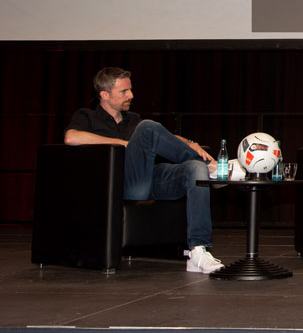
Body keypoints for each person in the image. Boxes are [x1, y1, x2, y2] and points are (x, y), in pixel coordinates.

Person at [64, 67, 223, 273]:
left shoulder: (132, 119)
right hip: (123, 184)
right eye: (124, 91)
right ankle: (215, 170)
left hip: (149, 179)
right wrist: (123, 143)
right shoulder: (87, 116)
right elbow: (71, 137)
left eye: (130, 90)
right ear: (104, 95)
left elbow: (165, 136)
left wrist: (191, 143)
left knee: (194, 169)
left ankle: (198, 251)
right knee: (148, 128)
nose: (131, 95)